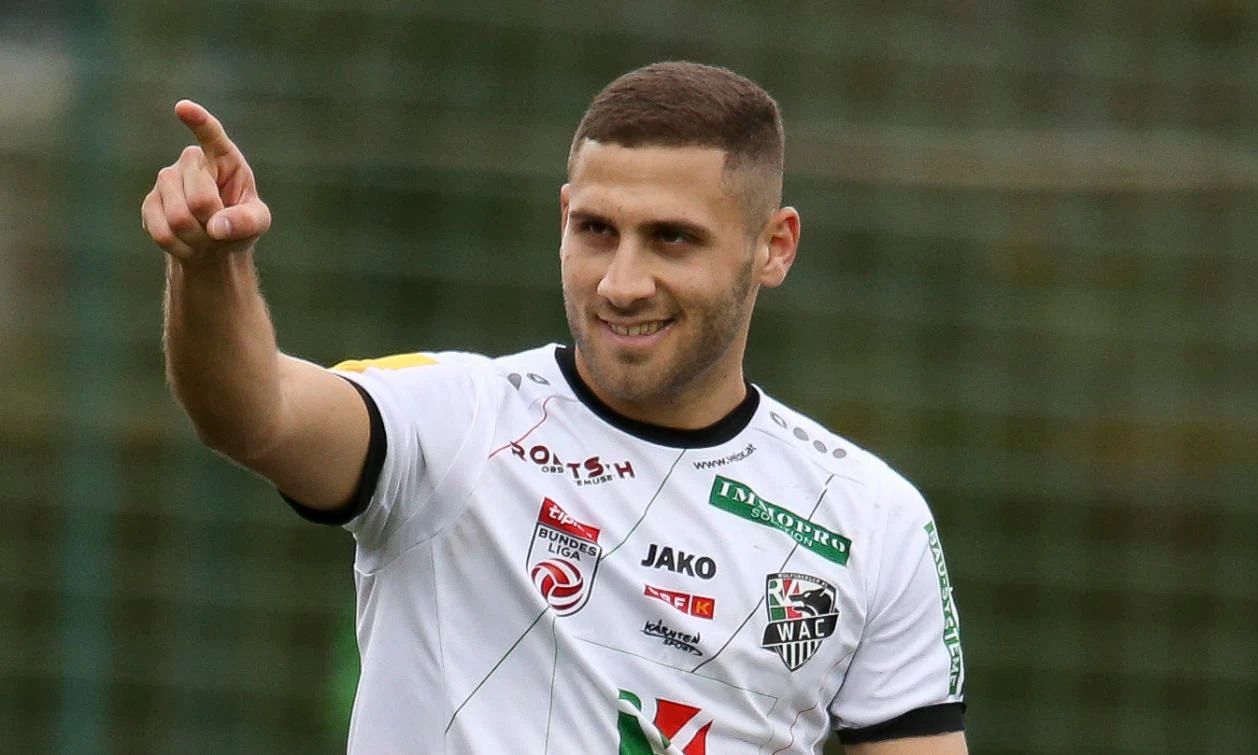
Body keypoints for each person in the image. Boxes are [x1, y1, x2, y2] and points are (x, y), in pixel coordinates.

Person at [142, 61, 968, 754]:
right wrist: (209, 268)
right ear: (564, 217)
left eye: (672, 238)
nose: (622, 283)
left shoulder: (869, 518)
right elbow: (252, 411)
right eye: (597, 230)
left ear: (774, 247)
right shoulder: (459, 419)